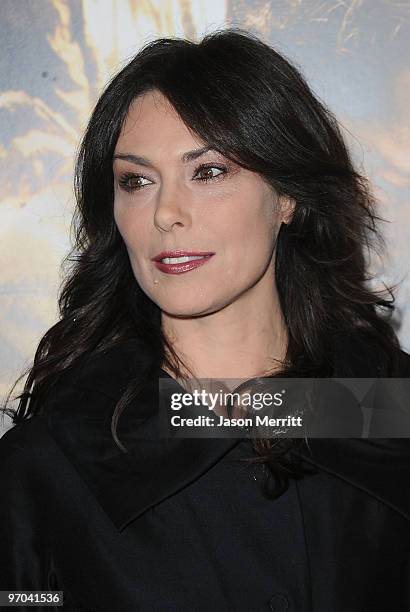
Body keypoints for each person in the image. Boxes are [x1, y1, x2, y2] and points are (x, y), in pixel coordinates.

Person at [1, 27, 410, 611]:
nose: (166, 212)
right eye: (136, 181)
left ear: (287, 197)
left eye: (209, 171)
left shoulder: (388, 413)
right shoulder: (48, 469)